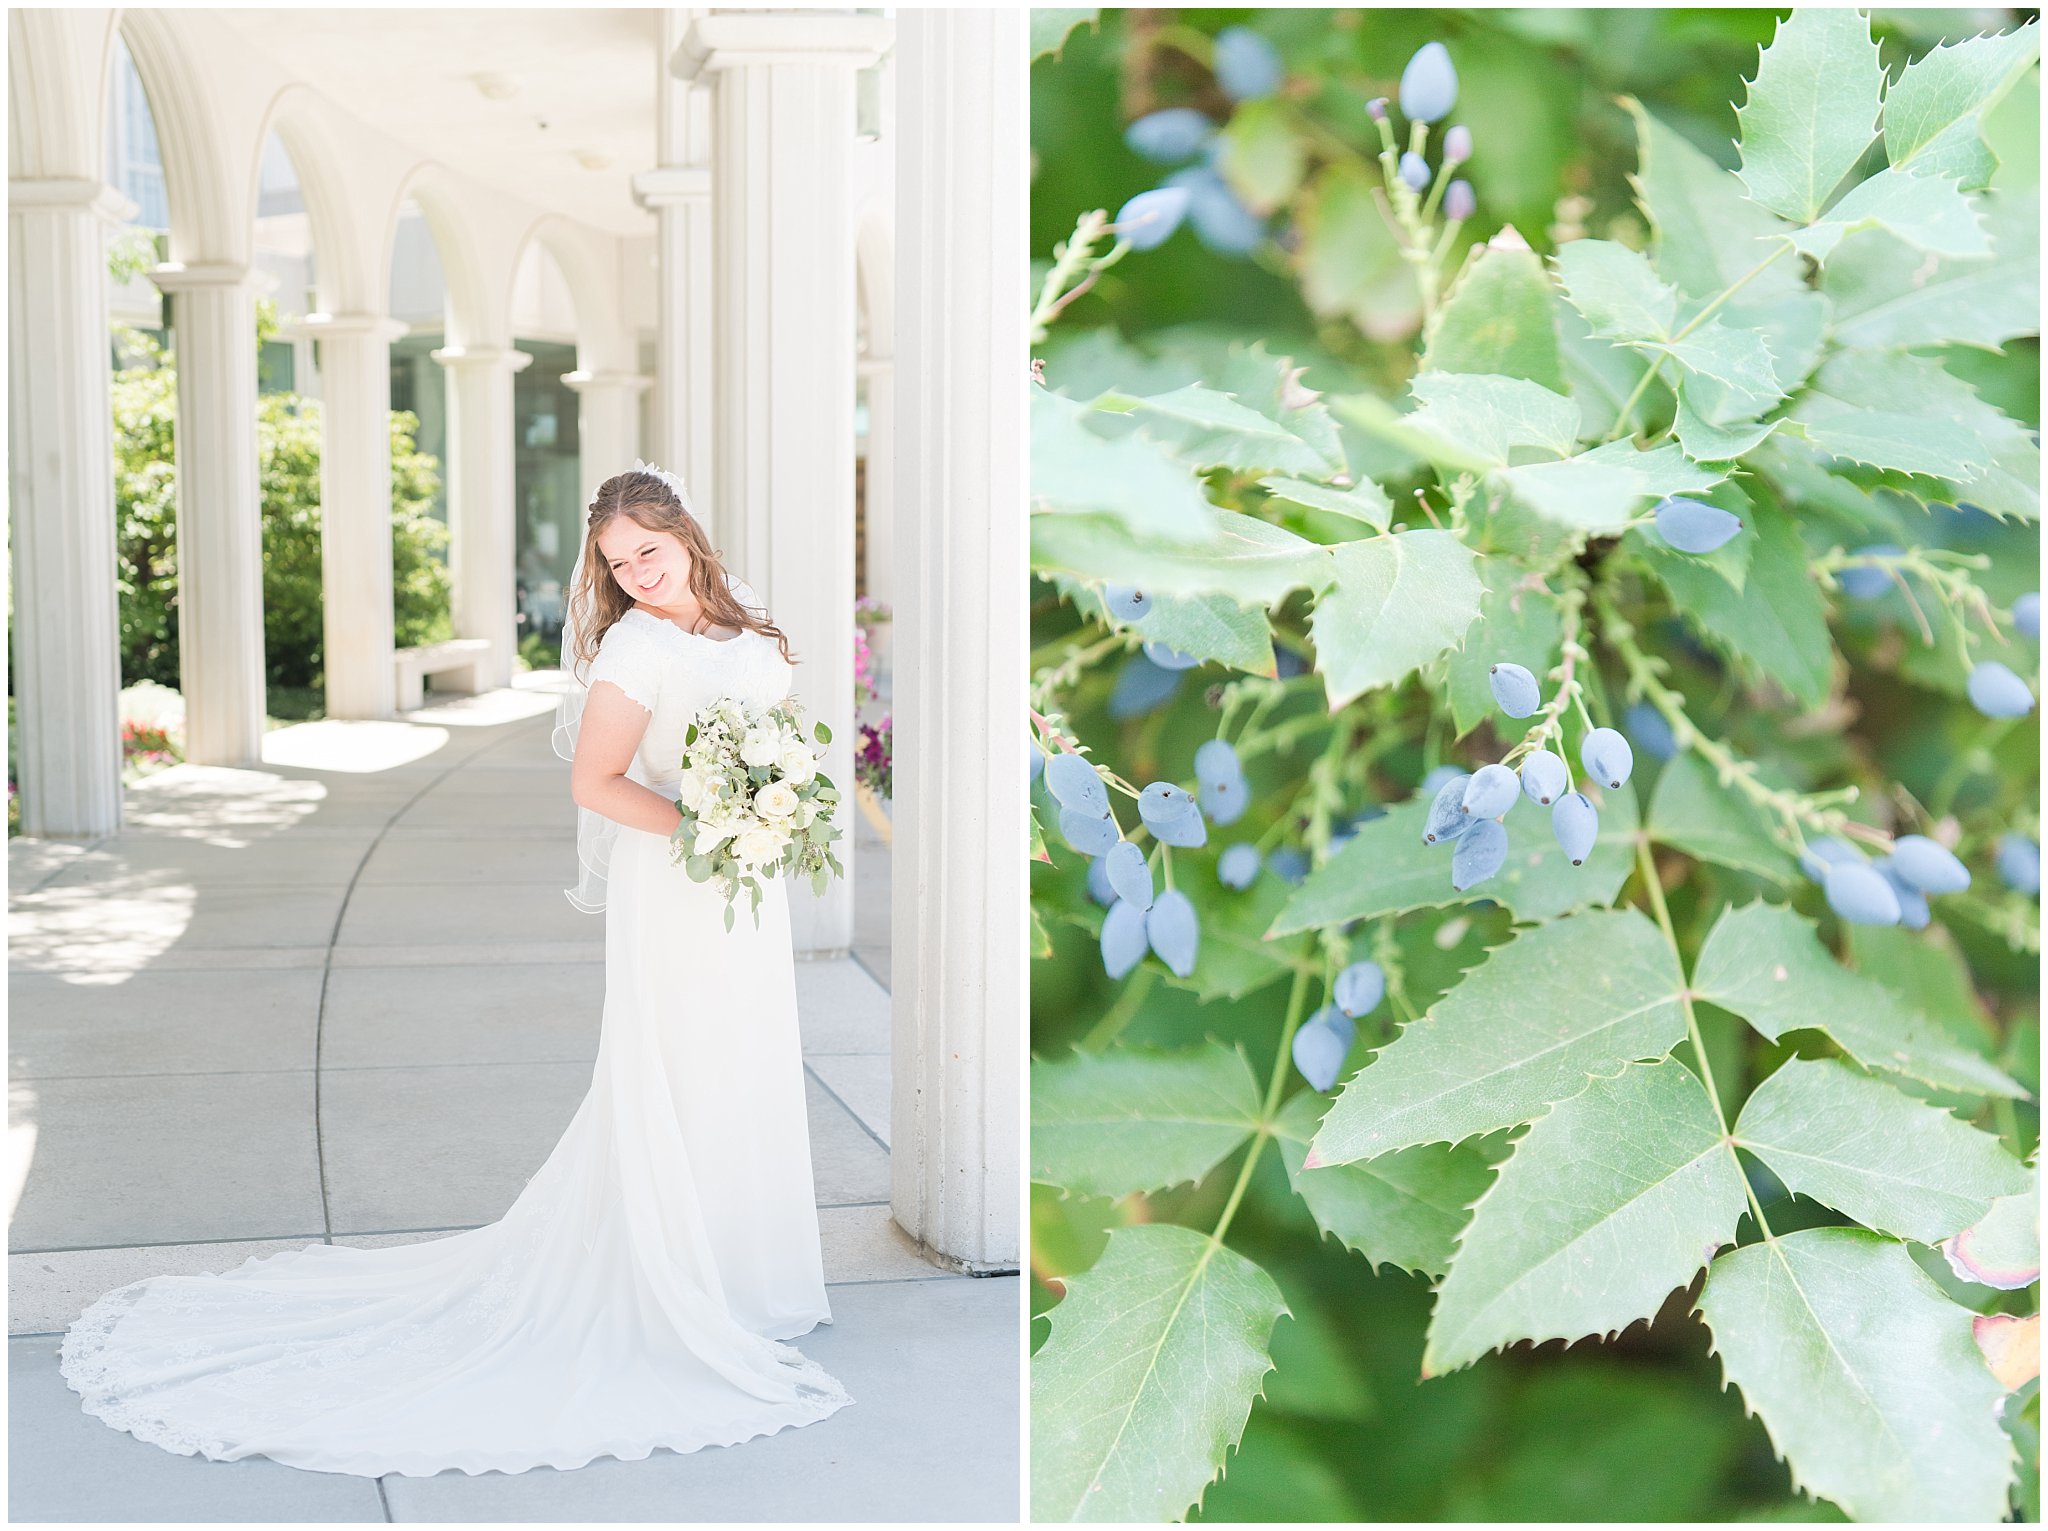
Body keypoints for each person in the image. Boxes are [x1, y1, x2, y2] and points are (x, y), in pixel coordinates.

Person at [59, 463, 849, 1476]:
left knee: (743, 1066)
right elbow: (596, 781)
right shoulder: (635, 648)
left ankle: (749, 1278)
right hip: (677, 876)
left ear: (686, 535)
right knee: (677, 1069)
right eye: (616, 562)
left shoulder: (750, 628)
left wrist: (775, 807)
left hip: (745, 886)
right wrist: (710, 820)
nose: (636, 572)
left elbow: (773, 737)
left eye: (647, 551)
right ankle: (677, 1282)